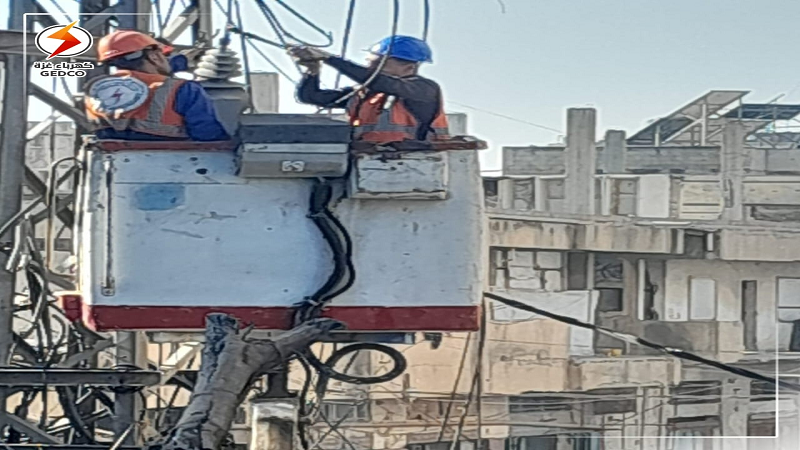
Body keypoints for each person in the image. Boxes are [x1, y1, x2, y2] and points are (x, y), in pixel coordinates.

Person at [288, 36, 449, 144]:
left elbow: (382, 83)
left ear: (409, 67)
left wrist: (329, 58)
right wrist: (312, 71)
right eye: (370, 63)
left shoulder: (424, 89)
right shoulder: (366, 93)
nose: (370, 68)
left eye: (378, 64)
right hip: (367, 159)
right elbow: (311, 97)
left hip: (412, 160)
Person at [85, 30, 230, 141]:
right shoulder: (184, 89)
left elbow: (138, 76)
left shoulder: (95, 88)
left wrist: (180, 61)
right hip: (175, 161)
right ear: (154, 56)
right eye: (164, 55)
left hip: (110, 161)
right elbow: (207, 133)